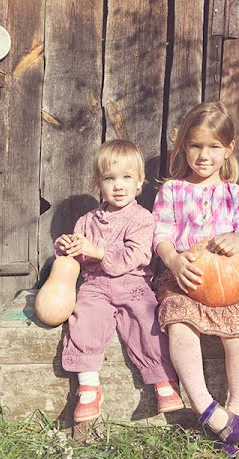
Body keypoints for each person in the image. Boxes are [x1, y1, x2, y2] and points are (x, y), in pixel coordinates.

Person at [152, 102, 239, 455]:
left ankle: (237, 412)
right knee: (179, 324)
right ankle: (207, 408)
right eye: (195, 146)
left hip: (228, 286)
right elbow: (160, 232)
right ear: (184, 147)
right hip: (185, 280)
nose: (203, 155)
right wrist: (174, 260)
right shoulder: (173, 190)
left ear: (227, 149)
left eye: (213, 147)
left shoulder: (233, 194)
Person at [55, 139, 184, 423]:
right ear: (98, 183)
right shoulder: (86, 221)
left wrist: (97, 250)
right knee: (84, 317)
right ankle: (88, 386)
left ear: (139, 183)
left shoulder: (142, 219)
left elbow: (135, 255)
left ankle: (163, 381)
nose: (119, 186)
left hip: (133, 284)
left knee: (146, 321)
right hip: (96, 285)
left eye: (127, 178)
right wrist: (67, 248)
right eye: (110, 178)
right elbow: (77, 262)